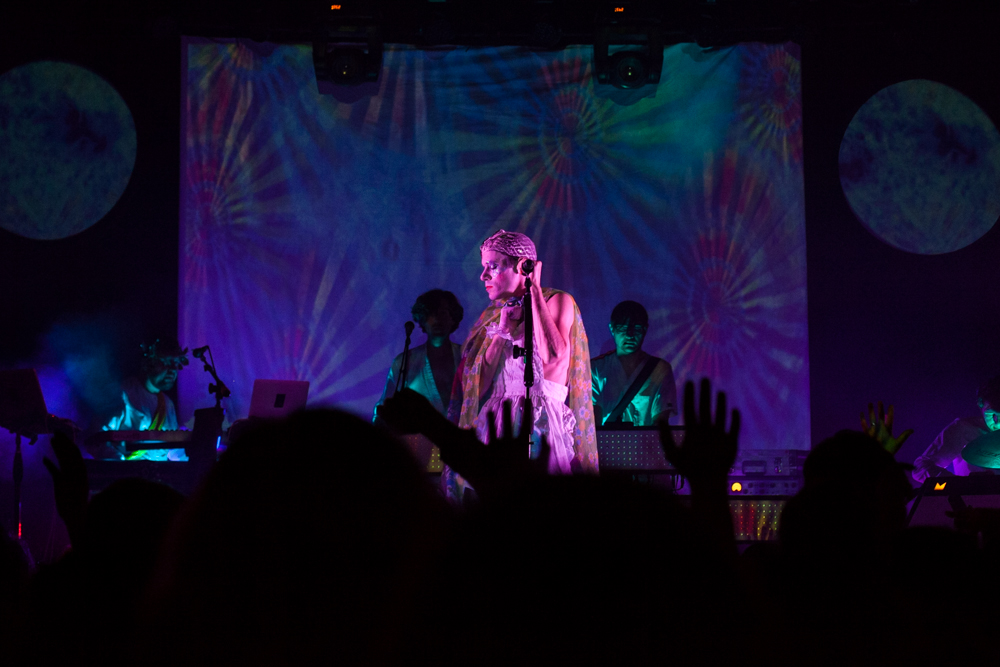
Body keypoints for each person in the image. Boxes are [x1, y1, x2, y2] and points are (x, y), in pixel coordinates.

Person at [446, 229, 597, 502]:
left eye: (492, 267)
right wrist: (502, 332)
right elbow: (475, 389)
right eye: (484, 268)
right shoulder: (494, 314)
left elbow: (552, 355)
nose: (484, 276)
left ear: (520, 266)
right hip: (498, 423)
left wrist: (534, 290)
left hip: (539, 421)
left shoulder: (557, 301)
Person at [373, 289, 464, 421]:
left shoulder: (467, 357)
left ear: (453, 318)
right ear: (421, 320)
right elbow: (383, 411)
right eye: (430, 314)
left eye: (442, 313)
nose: (437, 319)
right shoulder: (404, 362)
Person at [590, 300, 677, 427]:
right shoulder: (596, 369)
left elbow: (661, 422)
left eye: (636, 328)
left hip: (646, 444)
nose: (630, 335)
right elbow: (593, 423)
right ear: (612, 329)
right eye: (623, 328)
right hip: (607, 444)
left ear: (645, 329)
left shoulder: (660, 369)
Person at [101, 339, 189, 461]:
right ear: (148, 363)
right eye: (166, 362)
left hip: (158, 477)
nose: (173, 370)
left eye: (176, 363)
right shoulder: (124, 393)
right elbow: (98, 439)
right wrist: (119, 467)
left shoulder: (167, 404)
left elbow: (174, 452)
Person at [911, 374, 1000, 484]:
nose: (998, 423)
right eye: (993, 415)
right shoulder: (963, 429)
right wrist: (957, 484)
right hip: (969, 500)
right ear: (980, 402)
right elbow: (921, 467)